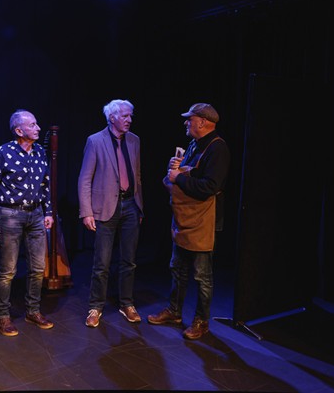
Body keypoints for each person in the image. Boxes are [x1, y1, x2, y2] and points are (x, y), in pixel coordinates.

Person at [147, 103, 230, 340]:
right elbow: (191, 174)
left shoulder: (218, 149)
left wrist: (179, 178)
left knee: (202, 276)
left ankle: (201, 322)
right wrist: (176, 170)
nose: (186, 122)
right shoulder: (195, 144)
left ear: (202, 122)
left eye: (190, 119)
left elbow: (209, 187)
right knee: (177, 268)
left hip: (204, 221)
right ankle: (174, 311)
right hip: (186, 217)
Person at [0, 109, 55, 336]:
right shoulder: (2, 152)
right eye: (32, 125)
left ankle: (33, 310)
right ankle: (2, 316)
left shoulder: (40, 152)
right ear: (19, 131)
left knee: (38, 268)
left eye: (36, 124)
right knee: (8, 270)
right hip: (10, 214)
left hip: (36, 214)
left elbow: (45, 184)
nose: (38, 128)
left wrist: (48, 212)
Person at [78, 99, 144, 328]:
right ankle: (96, 306)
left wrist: (140, 206)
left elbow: (137, 175)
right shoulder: (95, 141)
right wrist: (86, 211)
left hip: (130, 206)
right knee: (102, 263)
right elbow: (85, 178)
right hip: (105, 207)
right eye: (125, 116)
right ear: (112, 117)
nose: (129, 120)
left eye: (130, 116)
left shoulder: (134, 140)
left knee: (129, 261)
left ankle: (127, 304)